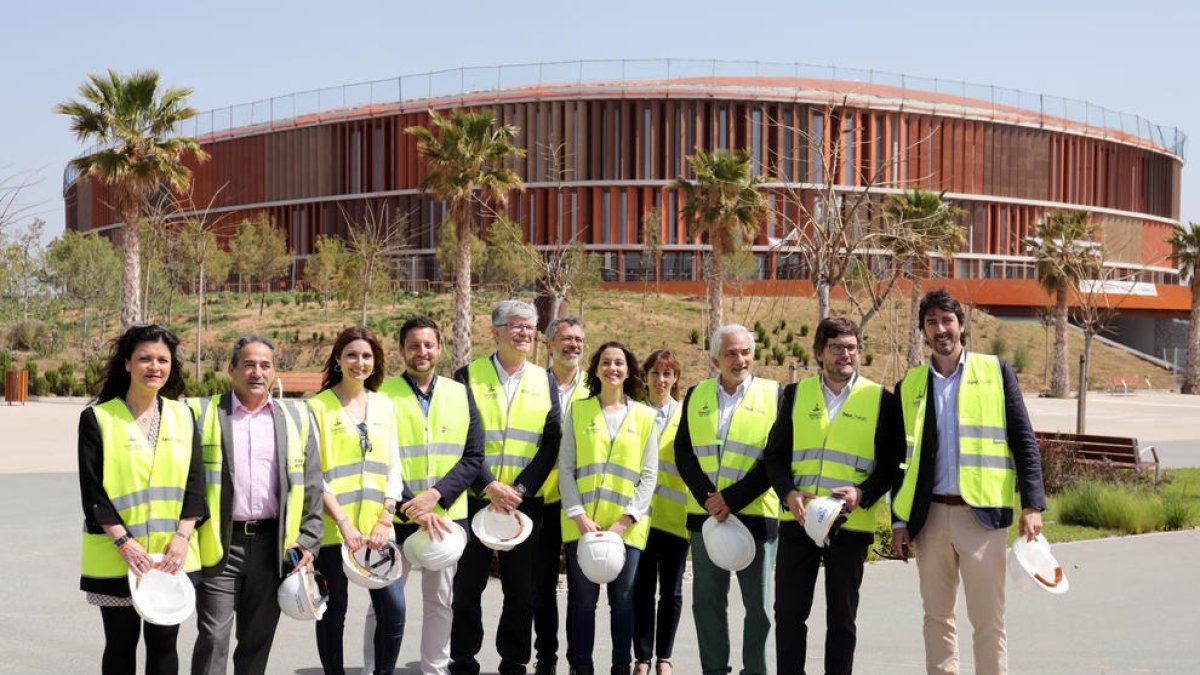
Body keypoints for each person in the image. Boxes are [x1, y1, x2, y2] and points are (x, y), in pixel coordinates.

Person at [891, 289, 1046, 675]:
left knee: (988, 620)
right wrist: (898, 521)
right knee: (936, 617)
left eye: (947, 320)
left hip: (982, 518)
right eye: (931, 323)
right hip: (929, 519)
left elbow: (1024, 440)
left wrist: (1032, 505)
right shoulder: (909, 385)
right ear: (924, 331)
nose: (940, 329)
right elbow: (900, 461)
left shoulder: (996, 372)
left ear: (962, 325)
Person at [763, 317, 901, 675]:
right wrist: (788, 492)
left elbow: (889, 466)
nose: (846, 355)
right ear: (820, 352)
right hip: (799, 520)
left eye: (852, 348)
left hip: (850, 524)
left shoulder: (880, 400)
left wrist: (862, 492)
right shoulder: (795, 394)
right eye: (837, 347)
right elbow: (775, 456)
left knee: (842, 619)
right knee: (790, 615)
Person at [188, 336, 324, 675]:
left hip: (272, 546)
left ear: (274, 372)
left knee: (257, 639)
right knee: (214, 636)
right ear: (231, 369)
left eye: (265, 365)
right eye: (248, 364)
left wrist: (309, 539)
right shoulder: (202, 413)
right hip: (220, 545)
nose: (256, 372)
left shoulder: (297, 417)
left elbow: (311, 485)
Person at [78, 323, 206, 675]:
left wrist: (182, 538)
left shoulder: (184, 416)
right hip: (117, 556)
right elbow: (93, 492)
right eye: (145, 358)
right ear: (127, 364)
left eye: (162, 360)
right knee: (120, 644)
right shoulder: (98, 418)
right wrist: (125, 544)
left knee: (164, 644)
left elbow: (196, 485)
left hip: (171, 555)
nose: (154, 367)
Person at [360, 316, 484, 675]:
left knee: (441, 601)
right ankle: (374, 669)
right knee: (383, 602)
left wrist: (435, 496)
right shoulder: (382, 397)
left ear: (440, 348)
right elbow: (376, 459)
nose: (422, 352)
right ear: (401, 350)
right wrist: (411, 504)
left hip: (444, 519)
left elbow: (474, 455)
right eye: (414, 345)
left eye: (428, 345)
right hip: (393, 517)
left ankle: (435, 669)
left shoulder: (460, 394)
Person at [450, 300, 562, 675]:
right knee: (468, 588)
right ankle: (463, 657)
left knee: (521, 590)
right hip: (475, 497)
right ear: (495, 330)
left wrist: (521, 488)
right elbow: (460, 438)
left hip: (523, 502)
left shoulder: (544, 380)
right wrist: (490, 485)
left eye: (530, 327)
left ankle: (514, 660)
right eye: (516, 326)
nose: (525, 333)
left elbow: (552, 442)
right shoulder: (467, 376)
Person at [674, 324, 780, 675]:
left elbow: (775, 458)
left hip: (755, 515)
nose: (740, 359)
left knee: (760, 607)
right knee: (707, 602)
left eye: (746, 351)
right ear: (715, 359)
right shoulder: (696, 394)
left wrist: (730, 499)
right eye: (731, 353)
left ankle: (756, 671)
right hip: (707, 519)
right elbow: (684, 452)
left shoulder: (774, 394)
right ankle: (714, 669)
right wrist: (710, 501)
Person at [308, 326, 406, 675]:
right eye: (351, 354)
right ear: (338, 359)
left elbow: (394, 466)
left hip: (379, 530)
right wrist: (344, 524)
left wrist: (386, 517)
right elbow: (314, 475)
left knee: (394, 609)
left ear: (375, 362)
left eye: (366, 356)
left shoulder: (385, 405)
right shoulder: (317, 407)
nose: (359, 362)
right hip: (335, 532)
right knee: (334, 612)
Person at [559, 341, 659, 675]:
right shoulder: (579, 411)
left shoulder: (645, 415)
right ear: (596, 368)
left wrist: (626, 520)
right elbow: (567, 469)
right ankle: (582, 666)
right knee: (584, 603)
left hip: (626, 528)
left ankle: (621, 666)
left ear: (629, 369)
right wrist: (579, 516)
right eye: (605, 362)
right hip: (582, 525)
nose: (612, 368)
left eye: (619, 362)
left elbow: (649, 474)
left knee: (623, 602)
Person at [535, 315, 589, 674]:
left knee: (581, 590)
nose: (573, 345)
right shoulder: (534, 385)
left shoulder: (595, 388)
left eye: (579, 340)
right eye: (566, 339)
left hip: (581, 504)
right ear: (550, 344)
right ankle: (547, 658)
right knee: (542, 585)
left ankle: (577, 660)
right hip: (542, 500)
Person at [631, 349, 689, 675]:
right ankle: (642, 657)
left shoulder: (686, 415)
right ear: (646, 377)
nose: (661, 380)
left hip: (674, 519)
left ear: (676, 378)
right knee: (641, 590)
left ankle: (664, 657)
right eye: (655, 373)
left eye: (668, 374)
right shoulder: (633, 413)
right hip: (638, 519)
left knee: (671, 592)